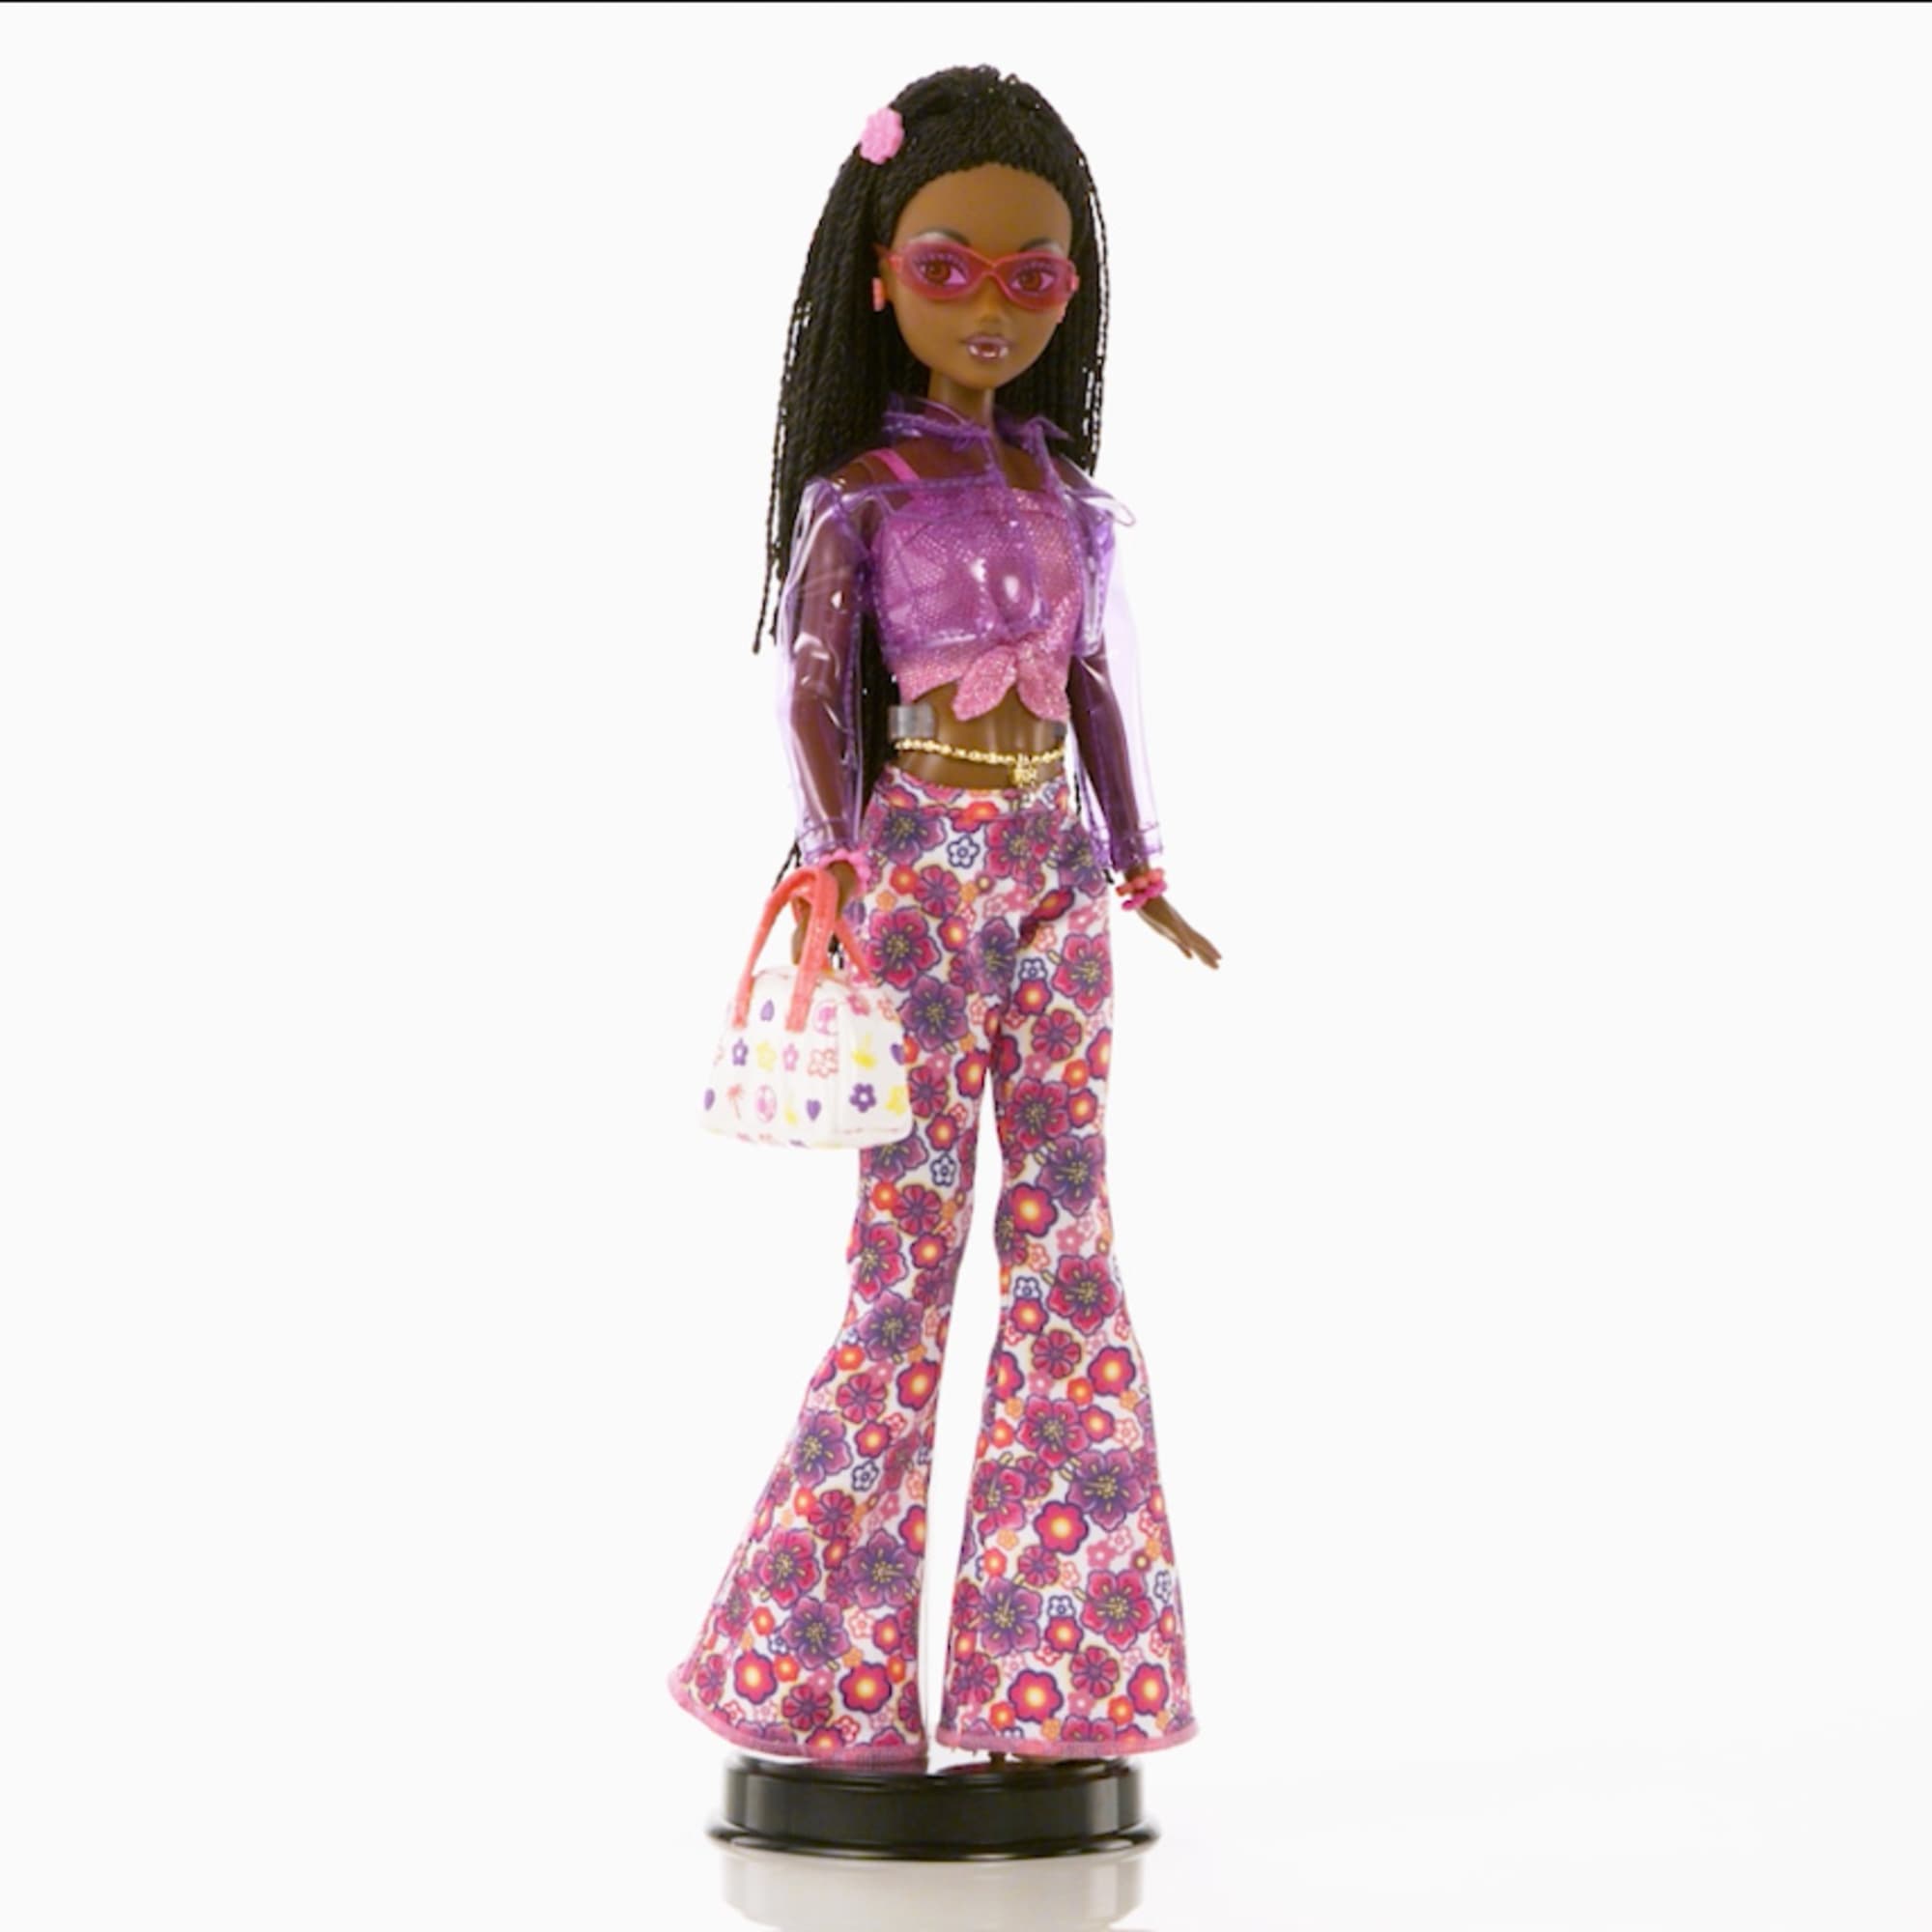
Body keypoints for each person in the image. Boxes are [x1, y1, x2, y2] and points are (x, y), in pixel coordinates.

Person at [667, 65, 1219, 1768]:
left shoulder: (1063, 500)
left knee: (1066, 1238)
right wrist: (830, 856)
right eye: (948, 268)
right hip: (913, 875)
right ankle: (815, 1678)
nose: (993, 304)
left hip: (1053, 875)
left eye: (1033, 275)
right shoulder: (865, 499)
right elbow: (812, 687)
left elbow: (1096, 684)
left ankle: (1064, 1676)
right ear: (881, 277)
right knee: (904, 1264)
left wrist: (1139, 865)